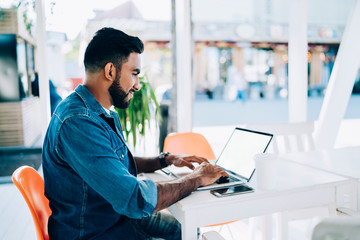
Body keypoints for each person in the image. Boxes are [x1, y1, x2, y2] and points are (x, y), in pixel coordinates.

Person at [42, 27, 228, 240]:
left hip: (114, 218)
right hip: (95, 232)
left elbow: (115, 165)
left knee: (186, 229)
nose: (138, 85)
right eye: (134, 73)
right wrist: (197, 178)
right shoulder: (78, 122)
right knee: (188, 233)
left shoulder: (98, 112)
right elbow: (134, 199)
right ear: (110, 71)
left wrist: (166, 160)